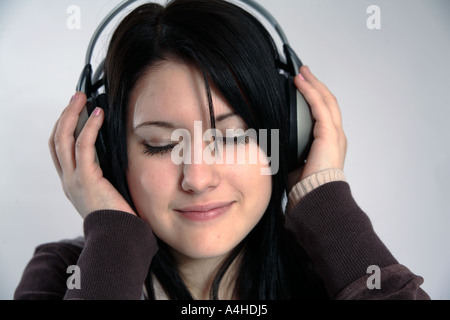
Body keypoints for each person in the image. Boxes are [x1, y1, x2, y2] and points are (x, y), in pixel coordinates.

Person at [15, 0, 429, 300]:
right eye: (161, 145)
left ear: (287, 138)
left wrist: (326, 204)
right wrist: (112, 239)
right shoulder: (64, 275)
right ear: (107, 153)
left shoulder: (336, 273)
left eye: (231, 138)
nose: (197, 177)